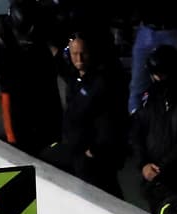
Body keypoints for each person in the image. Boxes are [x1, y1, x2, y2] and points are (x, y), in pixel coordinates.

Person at [0, 0, 62, 156]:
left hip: (41, 84)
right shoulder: (1, 40)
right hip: (14, 92)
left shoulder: (43, 24)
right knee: (18, 143)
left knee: (49, 136)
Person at [43, 34, 129, 199]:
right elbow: (60, 63)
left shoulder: (101, 82)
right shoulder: (76, 79)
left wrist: (95, 150)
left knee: (106, 195)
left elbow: (111, 120)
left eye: (83, 53)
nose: (79, 58)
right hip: (78, 150)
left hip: (94, 156)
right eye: (75, 54)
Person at [131, 44, 177, 213]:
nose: (158, 78)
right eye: (155, 74)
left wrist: (160, 167)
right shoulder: (148, 98)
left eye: (162, 74)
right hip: (154, 181)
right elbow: (136, 132)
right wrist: (143, 164)